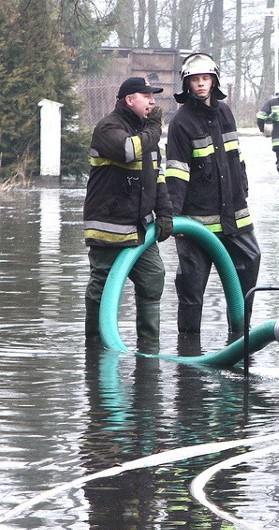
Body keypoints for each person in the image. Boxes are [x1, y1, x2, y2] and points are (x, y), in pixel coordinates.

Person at [165, 52, 261, 334]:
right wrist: (176, 218)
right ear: (187, 84)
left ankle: (241, 337)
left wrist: (242, 188)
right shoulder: (181, 123)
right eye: (195, 80)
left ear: (214, 80)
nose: (201, 84)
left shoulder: (225, 112)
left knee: (249, 264)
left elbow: (236, 156)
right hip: (197, 222)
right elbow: (177, 172)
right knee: (191, 287)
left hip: (235, 216)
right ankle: (189, 349)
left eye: (205, 78)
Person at [83, 77, 174, 345]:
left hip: (140, 230)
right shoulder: (108, 128)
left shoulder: (147, 134)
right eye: (146, 96)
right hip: (109, 228)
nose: (153, 101)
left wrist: (165, 213)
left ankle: (149, 349)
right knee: (102, 287)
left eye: (153, 96)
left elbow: (157, 177)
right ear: (129, 99)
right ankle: (96, 347)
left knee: (153, 277)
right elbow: (128, 150)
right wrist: (155, 130)